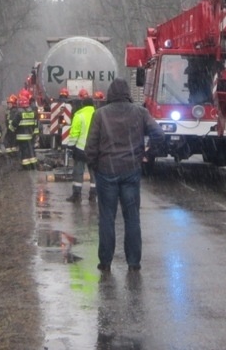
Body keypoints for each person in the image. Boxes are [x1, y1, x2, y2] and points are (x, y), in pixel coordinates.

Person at [85, 78, 165, 272]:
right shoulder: (140, 113)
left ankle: (105, 262)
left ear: (110, 94)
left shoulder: (100, 115)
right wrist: (147, 154)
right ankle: (134, 262)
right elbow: (159, 134)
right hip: (130, 170)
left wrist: (96, 166)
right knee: (132, 218)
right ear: (128, 93)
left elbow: (90, 147)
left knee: (107, 218)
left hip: (106, 172)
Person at [65, 89, 97, 203]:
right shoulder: (98, 114)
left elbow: (74, 134)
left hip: (81, 150)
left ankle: (76, 196)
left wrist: (70, 147)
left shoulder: (79, 115)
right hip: (95, 150)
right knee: (94, 173)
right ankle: (93, 196)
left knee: (78, 172)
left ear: (83, 104)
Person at [10, 95, 38, 170]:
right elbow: (35, 124)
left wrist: (11, 130)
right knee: (31, 150)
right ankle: (33, 164)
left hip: (21, 136)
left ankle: (26, 166)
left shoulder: (19, 113)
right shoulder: (32, 112)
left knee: (24, 151)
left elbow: (13, 124)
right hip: (30, 135)